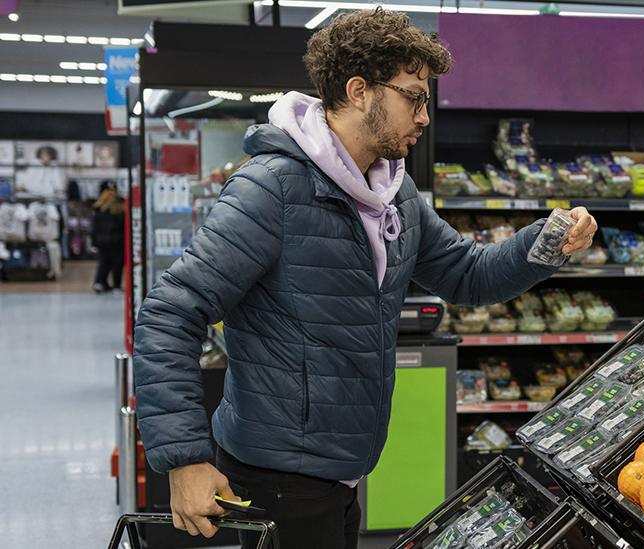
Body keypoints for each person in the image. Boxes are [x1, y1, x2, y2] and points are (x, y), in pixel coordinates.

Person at [133, 9, 598, 548]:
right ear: (358, 90)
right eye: (413, 97)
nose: (424, 117)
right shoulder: (274, 189)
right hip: (279, 474)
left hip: (341, 469)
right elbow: (170, 312)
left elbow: (468, 275)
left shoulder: (394, 193)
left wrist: (545, 241)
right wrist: (184, 458)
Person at [91, 181, 125, 293]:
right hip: (117, 240)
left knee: (103, 262)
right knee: (117, 263)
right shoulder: (119, 209)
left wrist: (94, 242)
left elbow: (94, 229)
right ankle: (116, 285)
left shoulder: (98, 208)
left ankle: (100, 282)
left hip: (102, 241)